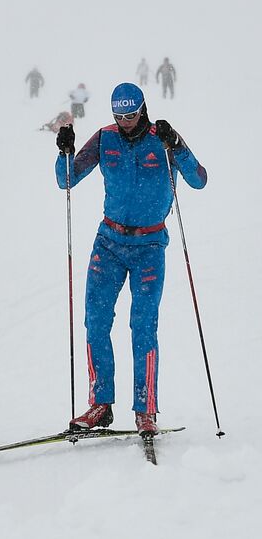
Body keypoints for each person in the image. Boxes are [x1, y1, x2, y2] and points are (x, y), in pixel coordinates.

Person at [55, 82, 207, 434]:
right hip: (108, 243)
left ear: (143, 109)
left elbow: (199, 180)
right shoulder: (105, 138)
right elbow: (66, 180)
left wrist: (178, 145)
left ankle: (145, 409)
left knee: (143, 326)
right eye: (119, 116)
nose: (125, 122)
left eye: (131, 115)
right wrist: (64, 151)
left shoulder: (162, 139)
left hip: (149, 247)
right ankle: (100, 405)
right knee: (95, 321)